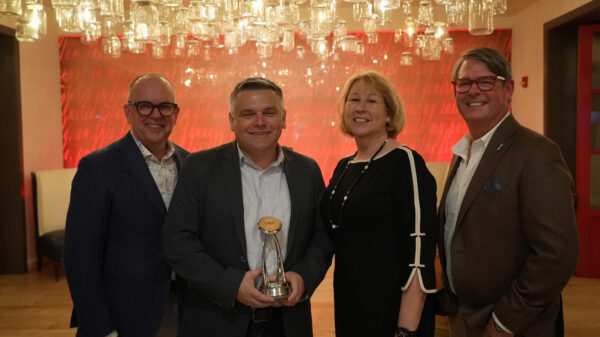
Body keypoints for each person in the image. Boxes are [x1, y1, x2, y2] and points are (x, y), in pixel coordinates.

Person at [161, 77, 333, 337]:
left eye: (269, 112)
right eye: (248, 114)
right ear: (232, 120)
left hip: (288, 324)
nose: (260, 122)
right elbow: (177, 241)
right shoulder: (200, 168)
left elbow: (322, 237)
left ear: (284, 118)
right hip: (218, 322)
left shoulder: (307, 170)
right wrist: (231, 285)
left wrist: (304, 276)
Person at [437, 47, 580, 337]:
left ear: (508, 88)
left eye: (485, 81)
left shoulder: (537, 153)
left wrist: (505, 321)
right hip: (465, 317)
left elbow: (557, 254)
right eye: (464, 83)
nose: (473, 91)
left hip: (512, 325)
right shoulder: (462, 153)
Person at [64, 73, 189, 337]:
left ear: (176, 113)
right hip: (122, 315)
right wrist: (101, 327)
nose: (156, 115)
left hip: (183, 309)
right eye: (144, 105)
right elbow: (80, 259)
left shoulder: (192, 165)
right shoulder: (97, 168)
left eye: (165, 107)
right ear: (128, 112)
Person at [319, 70, 437, 337]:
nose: (360, 107)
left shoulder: (405, 162)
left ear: (388, 114)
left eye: (372, 101)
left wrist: (405, 331)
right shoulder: (343, 167)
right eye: (354, 100)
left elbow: (420, 253)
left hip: (393, 313)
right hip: (351, 305)